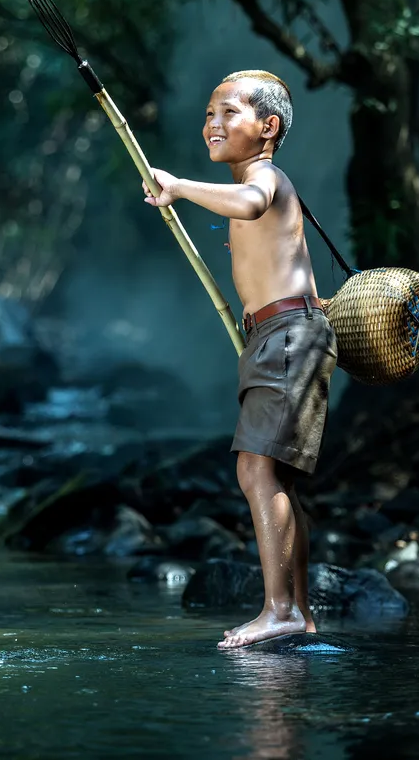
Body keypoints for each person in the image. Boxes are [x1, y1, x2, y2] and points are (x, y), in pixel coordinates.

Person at [141, 70, 338, 649]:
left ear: (268, 127)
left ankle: (278, 610)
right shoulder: (254, 179)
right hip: (277, 335)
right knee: (275, 476)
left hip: (286, 335)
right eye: (208, 115)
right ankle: (297, 613)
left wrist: (177, 184)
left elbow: (251, 205)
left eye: (228, 113)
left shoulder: (264, 177)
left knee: (255, 468)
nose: (213, 124)